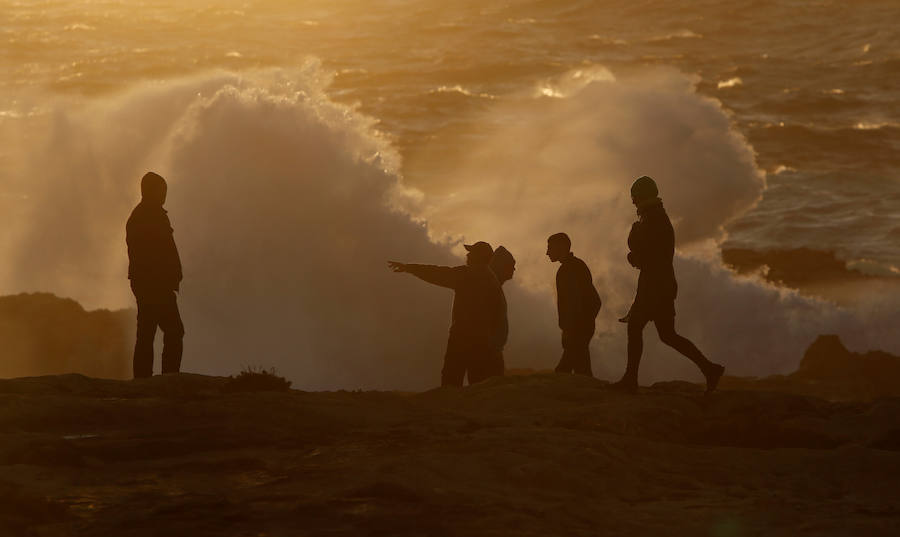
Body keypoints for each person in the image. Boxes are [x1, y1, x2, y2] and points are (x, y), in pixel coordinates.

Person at [612, 175, 724, 393]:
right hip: (661, 285)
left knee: (637, 328)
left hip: (654, 287)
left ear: (641, 197)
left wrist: (632, 246)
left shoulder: (651, 220)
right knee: (667, 335)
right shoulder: (655, 217)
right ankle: (709, 369)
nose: (632, 201)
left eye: (634, 197)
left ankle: (630, 380)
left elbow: (645, 257)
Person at [388, 241, 505, 387]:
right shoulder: (492, 280)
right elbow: (500, 314)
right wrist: (495, 343)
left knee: (451, 380)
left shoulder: (467, 274)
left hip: (462, 337)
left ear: (477, 257)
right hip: (483, 340)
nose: (467, 255)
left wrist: (409, 268)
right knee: (477, 383)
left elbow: (438, 273)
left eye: (471, 252)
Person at [126, 171, 184, 378]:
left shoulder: (147, 215)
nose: (164, 194)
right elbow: (152, 253)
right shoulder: (148, 216)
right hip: (154, 285)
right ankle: (168, 377)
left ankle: (144, 378)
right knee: (173, 331)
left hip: (150, 283)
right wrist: (165, 278)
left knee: (147, 331)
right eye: (162, 190)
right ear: (151, 191)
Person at [546, 233, 602, 376]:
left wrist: (570, 329)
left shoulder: (568, 269)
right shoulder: (576, 266)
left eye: (550, 248)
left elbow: (574, 302)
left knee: (566, 370)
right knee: (580, 369)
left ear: (562, 247)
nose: (547, 252)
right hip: (581, 327)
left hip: (577, 329)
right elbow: (595, 301)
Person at [487, 245, 516, 377]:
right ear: (502, 266)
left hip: (493, 349)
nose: (514, 269)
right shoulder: (490, 287)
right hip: (489, 350)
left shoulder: (494, 286)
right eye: (511, 265)